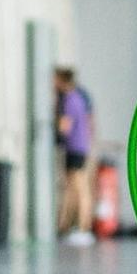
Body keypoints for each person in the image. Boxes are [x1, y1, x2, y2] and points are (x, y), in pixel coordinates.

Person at [55, 67, 96, 245]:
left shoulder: (70, 100)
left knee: (78, 187)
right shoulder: (79, 98)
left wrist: (56, 128)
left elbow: (65, 126)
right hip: (80, 146)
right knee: (75, 187)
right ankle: (72, 226)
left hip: (74, 148)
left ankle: (83, 227)